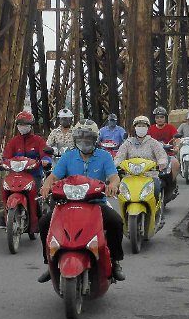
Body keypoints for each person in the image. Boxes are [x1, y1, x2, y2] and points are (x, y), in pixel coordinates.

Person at [37, 119, 125, 282]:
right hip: (68, 203)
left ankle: (115, 261)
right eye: (81, 137)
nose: (84, 141)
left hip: (96, 202)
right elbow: (54, 176)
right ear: (75, 139)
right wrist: (46, 185)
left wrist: (113, 185)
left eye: (88, 138)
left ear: (95, 139)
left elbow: (114, 176)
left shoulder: (104, 156)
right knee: (43, 223)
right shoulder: (68, 156)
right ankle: (49, 263)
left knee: (116, 222)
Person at [0, 111, 52, 227]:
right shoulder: (13, 142)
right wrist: (0, 162)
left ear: (31, 126)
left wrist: (46, 160)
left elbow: (45, 154)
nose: (22, 127)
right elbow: (6, 156)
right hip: (15, 175)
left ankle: (38, 218)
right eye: (20, 124)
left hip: (34, 174)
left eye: (25, 124)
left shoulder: (38, 140)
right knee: (5, 188)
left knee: (35, 195)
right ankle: (4, 215)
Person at [113, 115, 169, 201]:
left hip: (150, 175)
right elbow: (119, 156)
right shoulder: (128, 143)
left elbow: (161, 156)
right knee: (121, 192)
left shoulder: (153, 143)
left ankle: (158, 208)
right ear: (135, 128)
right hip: (130, 176)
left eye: (143, 126)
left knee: (157, 189)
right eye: (139, 126)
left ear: (147, 128)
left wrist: (161, 164)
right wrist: (116, 165)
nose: (141, 128)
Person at [147, 106, 180, 193]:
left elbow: (176, 138)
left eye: (162, 117)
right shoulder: (150, 129)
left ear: (165, 118)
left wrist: (176, 147)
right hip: (153, 156)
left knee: (176, 164)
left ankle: (172, 184)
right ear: (154, 119)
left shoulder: (171, 127)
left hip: (168, 154)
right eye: (157, 117)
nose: (159, 119)